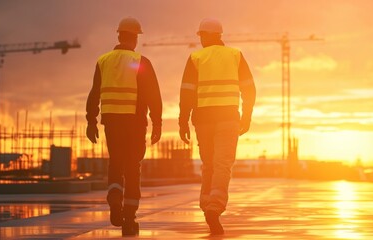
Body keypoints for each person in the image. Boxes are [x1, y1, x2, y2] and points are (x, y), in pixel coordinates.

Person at [86, 17, 162, 236]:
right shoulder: (141, 61)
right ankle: (129, 217)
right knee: (132, 168)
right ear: (135, 38)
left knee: (116, 164)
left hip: (111, 122)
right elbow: (153, 95)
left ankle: (114, 198)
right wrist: (157, 122)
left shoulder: (103, 61)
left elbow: (94, 94)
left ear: (119, 35)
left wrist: (91, 121)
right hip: (135, 123)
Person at [179, 18, 256, 235]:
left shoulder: (195, 58)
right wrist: (247, 115)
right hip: (228, 118)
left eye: (202, 35)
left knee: (209, 165)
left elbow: (186, 92)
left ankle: (207, 207)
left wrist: (183, 121)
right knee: (222, 164)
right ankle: (214, 207)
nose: (201, 39)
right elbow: (249, 88)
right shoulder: (235, 56)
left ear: (212, 35)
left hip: (203, 119)